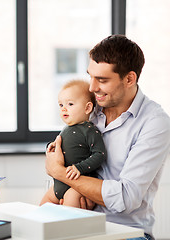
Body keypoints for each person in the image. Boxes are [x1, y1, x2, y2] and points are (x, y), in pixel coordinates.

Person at [44, 35, 170, 239]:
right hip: (78, 221)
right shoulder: (90, 107)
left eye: (102, 80)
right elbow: (66, 149)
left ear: (129, 79)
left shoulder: (154, 123)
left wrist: (60, 173)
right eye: (90, 76)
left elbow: (125, 198)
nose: (92, 88)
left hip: (125, 232)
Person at [40, 80, 106, 208]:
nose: (64, 108)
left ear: (87, 108)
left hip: (76, 186)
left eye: (70, 104)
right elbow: (62, 145)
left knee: (68, 216)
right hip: (58, 185)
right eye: (60, 105)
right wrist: (51, 146)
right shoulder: (67, 128)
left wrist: (79, 168)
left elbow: (99, 154)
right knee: (42, 207)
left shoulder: (90, 130)